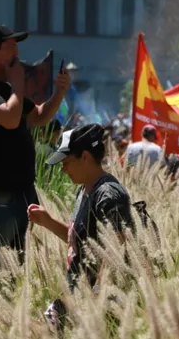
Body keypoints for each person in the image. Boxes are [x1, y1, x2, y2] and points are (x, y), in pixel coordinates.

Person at [0, 24, 71, 263]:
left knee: (17, 273)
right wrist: (18, 82)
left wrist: (60, 92)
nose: (17, 54)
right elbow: (11, 120)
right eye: (11, 47)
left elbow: (40, 117)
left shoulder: (9, 91)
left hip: (21, 195)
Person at [28, 124, 134, 292]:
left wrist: (97, 294)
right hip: (78, 294)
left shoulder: (108, 195)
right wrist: (48, 222)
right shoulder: (84, 189)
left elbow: (118, 247)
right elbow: (82, 243)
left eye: (66, 162)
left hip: (95, 302)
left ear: (84, 157)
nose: (63, 170)